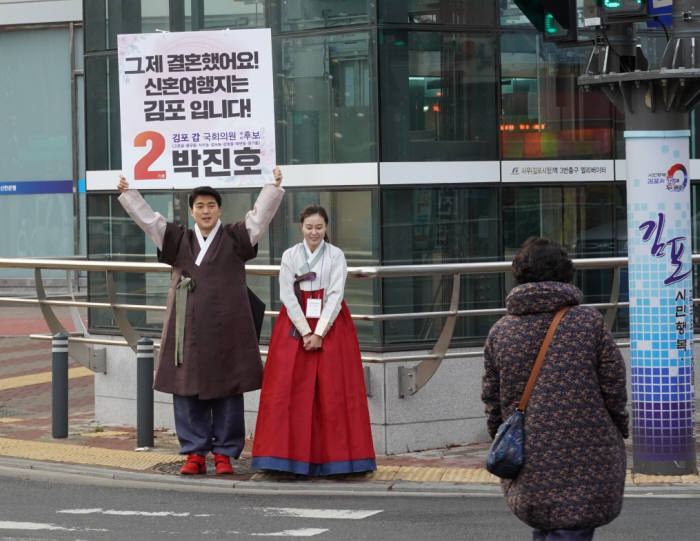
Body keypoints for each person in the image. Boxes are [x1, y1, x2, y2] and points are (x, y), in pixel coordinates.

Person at [117, 168, 284, 475]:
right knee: (186, 389)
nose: (206, 211)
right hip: (186, 332)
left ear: (220, 209)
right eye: (200, 206)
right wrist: (130, 194)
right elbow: (149, 220)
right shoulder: (177, 238)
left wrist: (271, 188)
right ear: (192, 211)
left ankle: (224, 453)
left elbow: (259, 217)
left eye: (211, 205)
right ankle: (194, 452)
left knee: (228, 390)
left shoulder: (235, 237)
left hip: (227, 330)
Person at [481, 237, 629, 541]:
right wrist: (619, 426)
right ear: (566, 273)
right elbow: (614, 383)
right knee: (572, 525)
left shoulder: (501, 331)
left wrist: (500, 434)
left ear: (519, 274)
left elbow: (492, 399)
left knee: (547, 523)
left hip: (530, 450)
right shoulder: (588, 322)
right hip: (588, 447)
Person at [251, 205, 376, 475]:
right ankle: (283, 459)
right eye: (309, 227)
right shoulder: (290, 255)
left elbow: (335, 294)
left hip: (331, 325)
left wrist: (319, 331)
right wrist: (305, 331)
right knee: (288, 390)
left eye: (319, 227)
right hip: (294, 322)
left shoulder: (336, 255)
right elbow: (286, 293)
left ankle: (342, 460)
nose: (314, 232)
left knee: (335, 390)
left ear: (326, 227)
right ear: (301, 227)